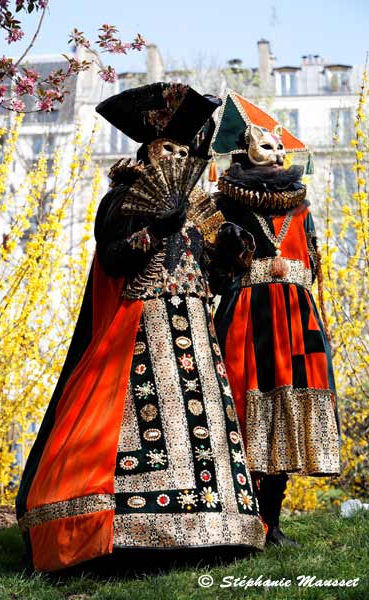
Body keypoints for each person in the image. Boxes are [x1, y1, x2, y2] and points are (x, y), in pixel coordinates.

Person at [16, 83, 265, 572]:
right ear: (148, 152)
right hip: (144, 326)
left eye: (184, 149)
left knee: (203, 423)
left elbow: (216, 274)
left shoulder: (201, 208)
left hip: (194, 325)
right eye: (168, 148)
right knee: (142, 419)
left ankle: (216, 531)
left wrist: (235, 251)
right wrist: (157, 230)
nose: (178, 156)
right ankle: (129, 533)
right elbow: (112, 259)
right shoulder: (124, 197)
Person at [210, 90, 340, 547]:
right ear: (244, 149)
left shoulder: (300, 206)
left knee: (289, 408)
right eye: (267, 146)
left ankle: (274, 522)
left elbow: (312, 260)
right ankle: (242, 520)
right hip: (248, 315)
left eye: (281, 147)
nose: (278, 153)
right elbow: (215, 264)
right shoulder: (226, 203)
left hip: (297, 318)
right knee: (248, 405)